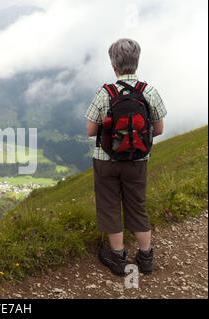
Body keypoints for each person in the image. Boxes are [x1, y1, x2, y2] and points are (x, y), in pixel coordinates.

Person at [85, 38, 167, 276]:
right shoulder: (149, 92)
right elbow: (159, 129)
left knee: (109, 206)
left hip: (106, 160)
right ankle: (145, 257)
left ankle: (118, 257)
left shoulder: (105, 93)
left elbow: (90, 131)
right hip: (137, 160)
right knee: (137, 206)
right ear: (137, 62)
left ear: (113, 66)